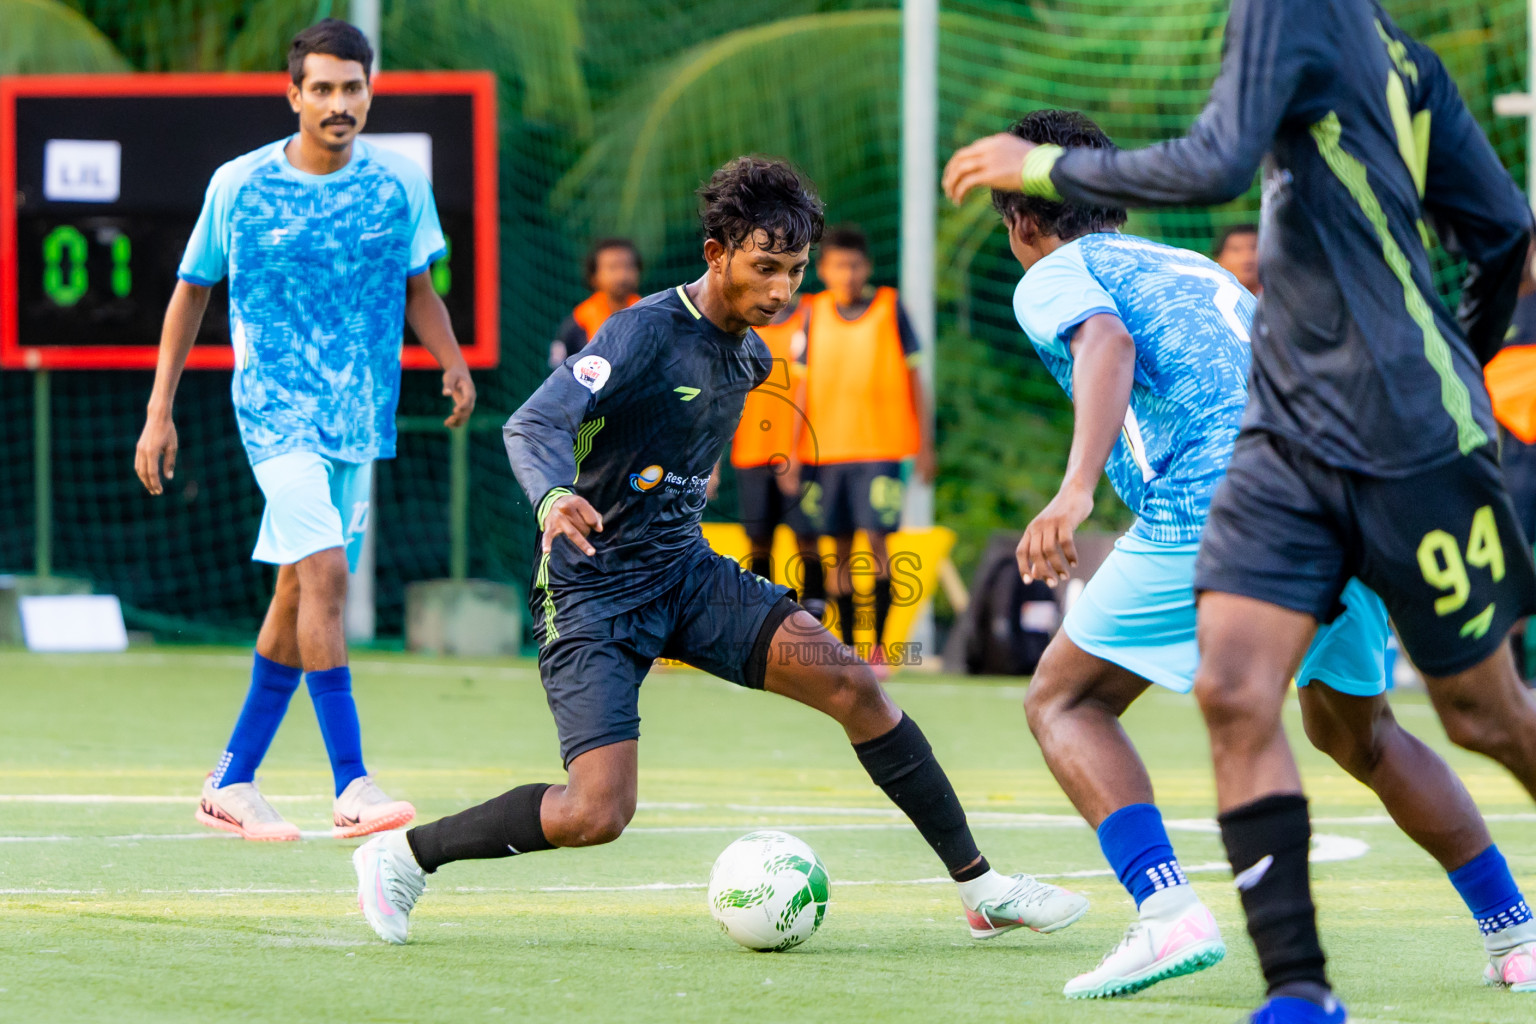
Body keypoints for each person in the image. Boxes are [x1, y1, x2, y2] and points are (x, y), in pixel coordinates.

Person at [945, 2, 1536, 1019]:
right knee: (1368, 730)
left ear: (1020, 218)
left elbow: (1106, 346)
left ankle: (1166, 908)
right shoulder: (1193, 262)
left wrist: (1076, 488)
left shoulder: (1052, 271)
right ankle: (1515, 933)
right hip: (1365, 458)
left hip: (1236, 499)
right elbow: (1501, 233)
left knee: (1065, 698)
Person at [349, 156, 1086, 945]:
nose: (780, 290)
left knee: (855, 687)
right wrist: (556, 496)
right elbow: (532, 424)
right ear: (716, 253)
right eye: (764, 267)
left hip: (688, 575)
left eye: (794, 271)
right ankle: (404, 857)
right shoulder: (640, 332)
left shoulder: (754, 354)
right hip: (592, 590)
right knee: (597, 812)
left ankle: (982, 888)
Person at [133, 20, 475, 842]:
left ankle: (233, 781)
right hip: (274, 417)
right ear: (293, 96)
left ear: (369, 91)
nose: (337, 102)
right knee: (324, 574)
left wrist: (454, 362)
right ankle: (351, 781)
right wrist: (159, 409)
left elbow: (417, 285)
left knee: (296, 594)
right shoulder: (239, 185)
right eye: (320, 88)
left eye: (351, 87)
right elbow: (190, 292)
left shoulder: (399, 185)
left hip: (359, 425)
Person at [792, 225, 935, 666]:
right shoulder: (812, 313)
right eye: (838, 265)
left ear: (866, 268)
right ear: (824, 270)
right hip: (826, 452)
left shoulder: (891, 309)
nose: (847, 274)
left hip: (881, 448)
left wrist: (926, 444)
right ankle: (851, 647)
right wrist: (796, 449)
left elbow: (915, 379)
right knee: (835, 550)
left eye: (854, 265)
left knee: (876, 545)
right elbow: (800, 387)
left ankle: (878, 648)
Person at [721, 298, 828, 617]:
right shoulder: (740, 324)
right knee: (758, 541)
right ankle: (762, 616)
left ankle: (815, 614)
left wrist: (793, 451)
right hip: (752, 452)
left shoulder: (812, 315)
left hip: (803, 454)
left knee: (807, 538)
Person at [548, 238, 642, 368]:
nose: (622, 275)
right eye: (612, 268)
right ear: (593, 276)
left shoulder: (651, 316)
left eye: (628, 266)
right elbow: (557, 376)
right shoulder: (577, 324)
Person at [1212, 223, 1261, 294]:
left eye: (1253, 248)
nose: (1247, 257)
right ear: (1218, 260)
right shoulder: (1209, 299)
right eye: (1236, 249)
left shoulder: (1278, 297)